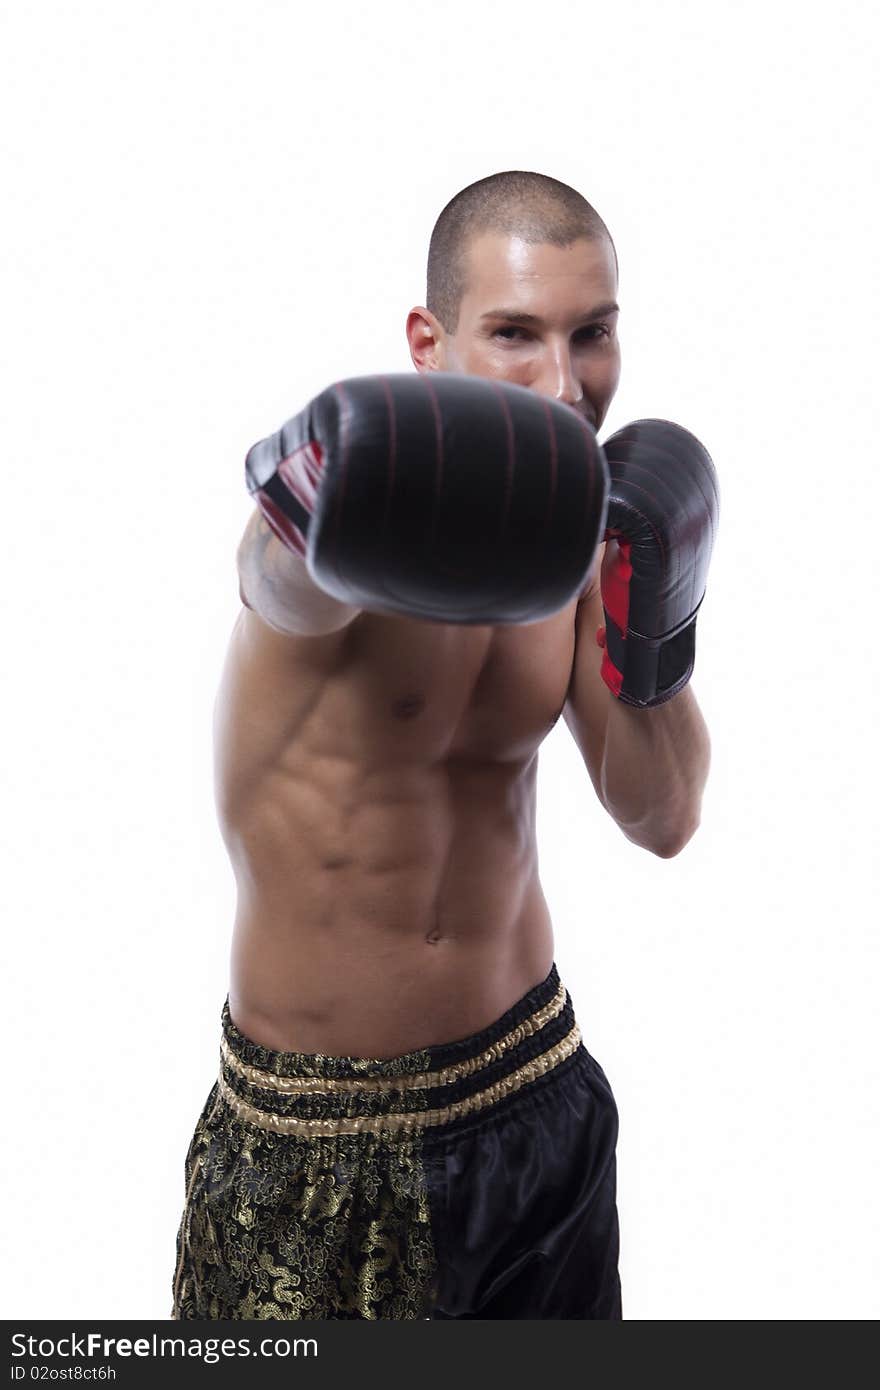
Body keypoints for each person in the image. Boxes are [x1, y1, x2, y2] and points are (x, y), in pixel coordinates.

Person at [171, 170, 718, 1321]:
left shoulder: (580, 546)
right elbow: (269, 585)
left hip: (536, 1097)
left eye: (592, 335)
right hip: (318, 1149)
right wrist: (312, 504)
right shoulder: (356, 523)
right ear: (430, 342)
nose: (565, 385)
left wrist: (648, 627)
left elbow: (662, 818)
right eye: (515, 334)